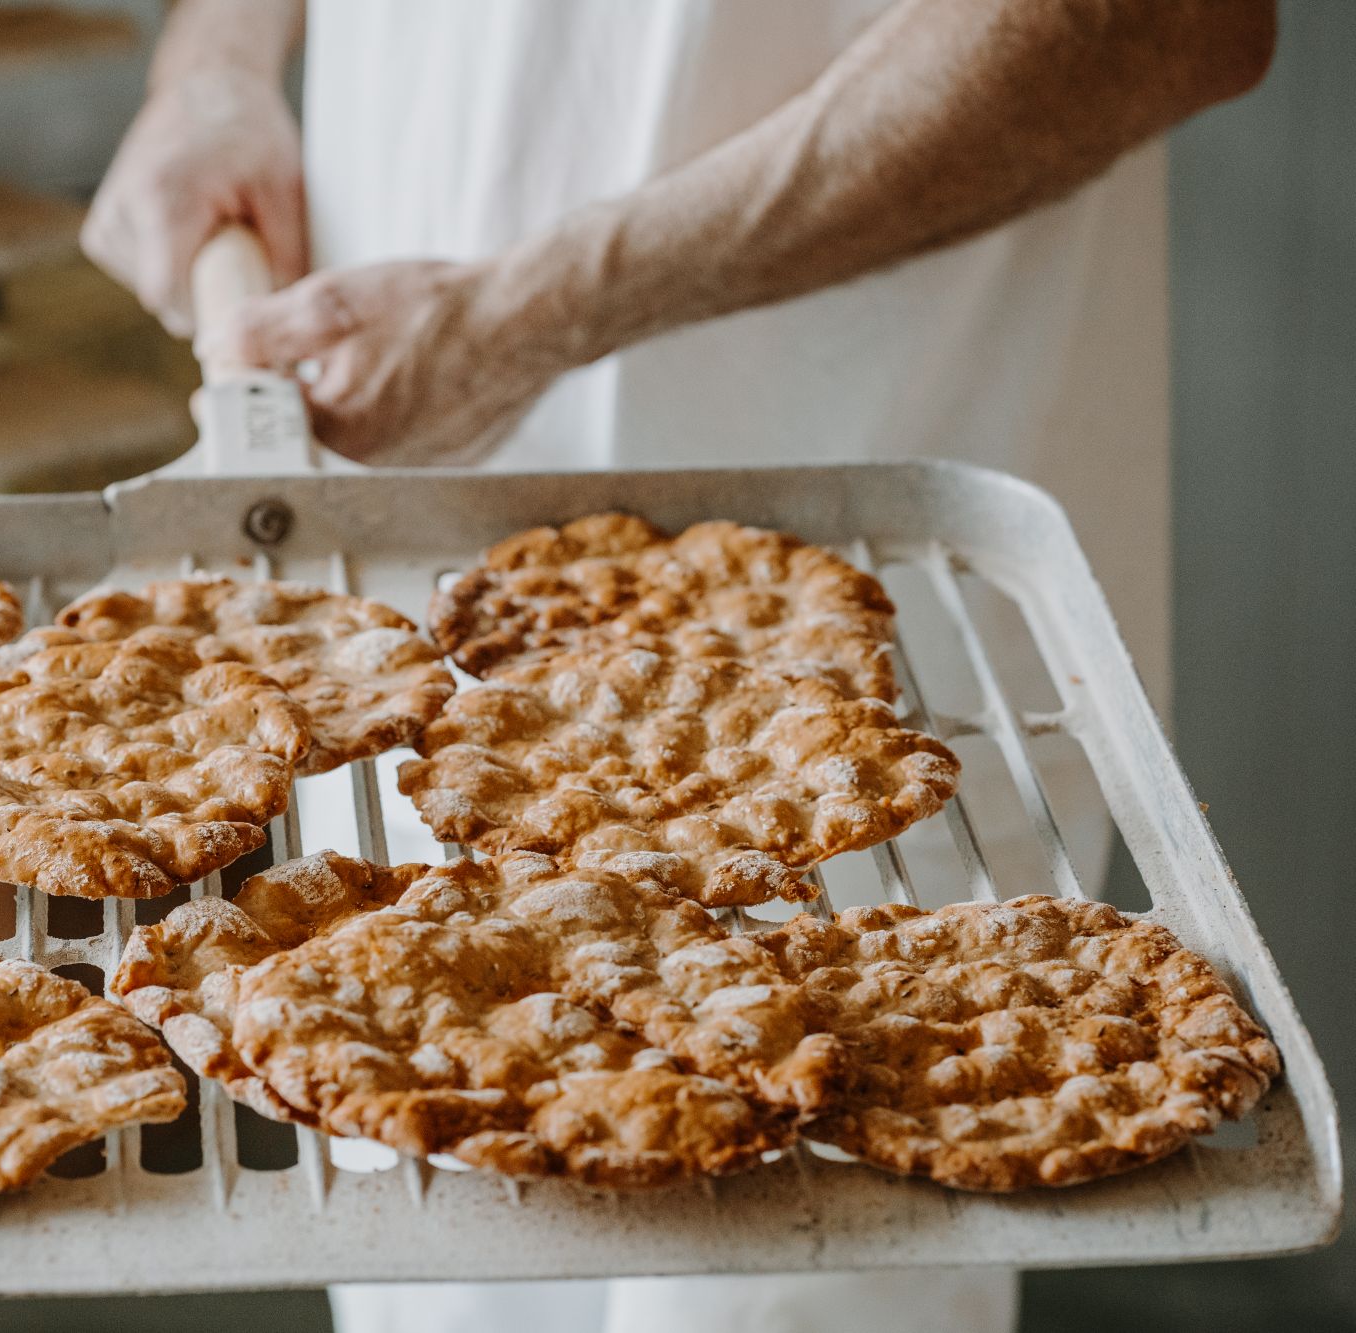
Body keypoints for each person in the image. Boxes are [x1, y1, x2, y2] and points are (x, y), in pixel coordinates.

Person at [82, 2, 1275, 1331]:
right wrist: (219, 64)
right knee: (437, 1243)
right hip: (396, 504)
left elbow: (1163, 24)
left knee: (786, 1284)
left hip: (846, 529)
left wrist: (536, 309)